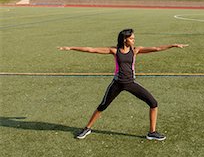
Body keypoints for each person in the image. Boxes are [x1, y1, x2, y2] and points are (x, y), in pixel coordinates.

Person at [59, 28, 188, 141]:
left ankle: (152, 132)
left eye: (133, 38)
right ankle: (87, 128)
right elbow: (92, 50)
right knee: (102, 106)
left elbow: (156, 48)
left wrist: (173, 45)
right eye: (131, 38)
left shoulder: (135, 50)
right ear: (125, 39)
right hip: (117, 84)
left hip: (130, 83)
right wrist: (71, 48)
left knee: (153, 103)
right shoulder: (115, 51)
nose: (133, 40)